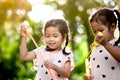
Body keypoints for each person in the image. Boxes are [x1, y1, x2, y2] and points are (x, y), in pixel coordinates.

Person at [84, 7, 120, 80]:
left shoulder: (117, 44)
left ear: (113, 27)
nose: (97, 34)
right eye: (94, 32)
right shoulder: (95, 48)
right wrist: (89, 76)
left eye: (101, 30)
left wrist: (105, 44)